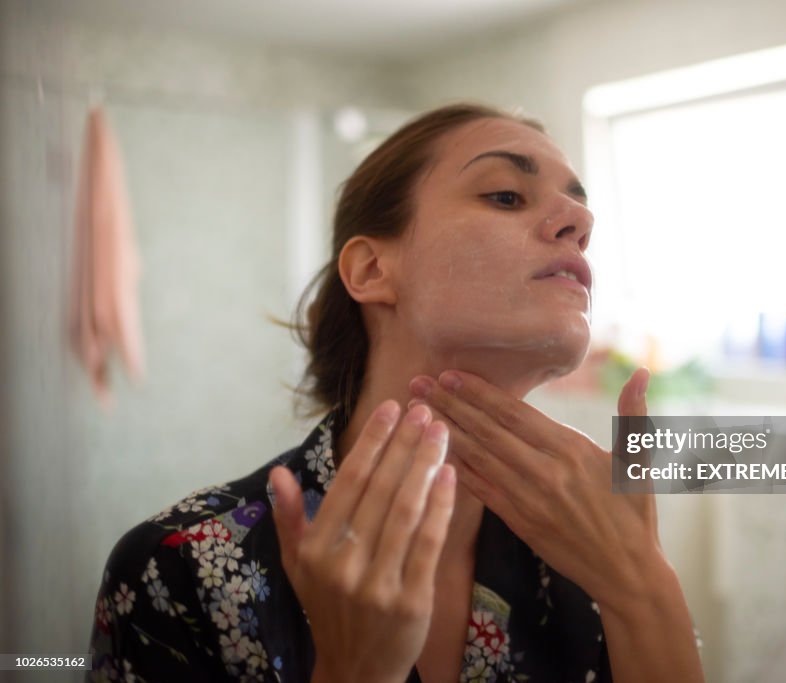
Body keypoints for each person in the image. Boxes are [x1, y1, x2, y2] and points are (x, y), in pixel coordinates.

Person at [87, 103, 705, 683]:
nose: (582, 223)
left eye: (580, 209)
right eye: (506, 195)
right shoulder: (178, 567)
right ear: (372, 270)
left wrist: (641, 589)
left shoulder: (596, 554)